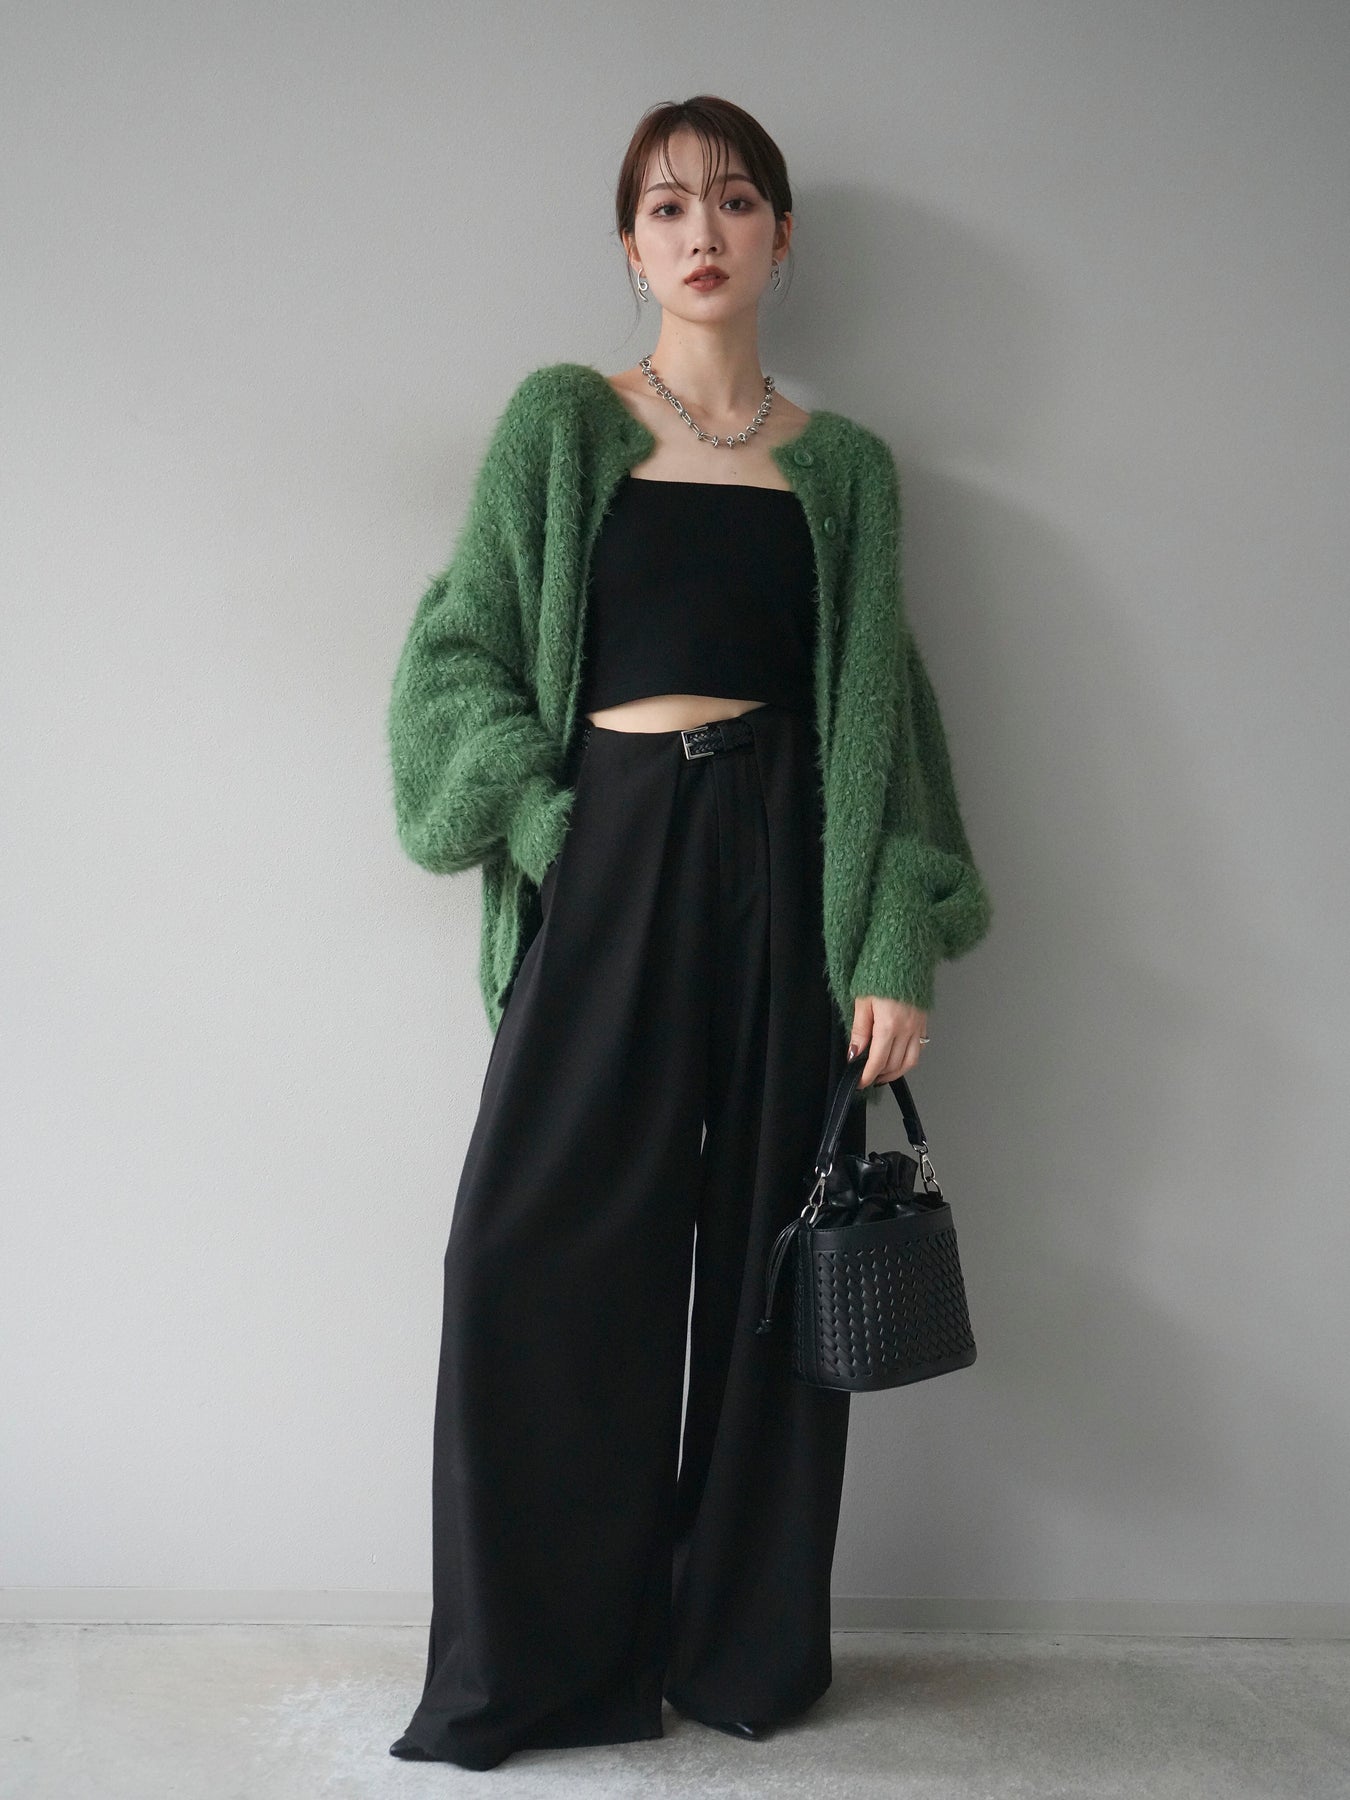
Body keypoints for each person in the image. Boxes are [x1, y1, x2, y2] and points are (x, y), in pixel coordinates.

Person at [385, 95, 993, 1771]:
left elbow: (887, 724)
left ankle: (736, 1653)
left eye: (731, 201)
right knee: (529, 1252)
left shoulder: (843, 468)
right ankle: (539, 1673)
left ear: (781, 237)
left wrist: (892, 936)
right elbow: (457, 652)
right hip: (616, 844)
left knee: (766, 1269)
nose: (699, 230)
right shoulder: (564, 424)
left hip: (795, 858)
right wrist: (540, 823)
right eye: (664, 207)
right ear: (629, 245)